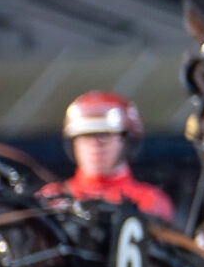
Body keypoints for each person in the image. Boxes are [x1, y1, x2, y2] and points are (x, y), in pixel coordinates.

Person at [51, 91, 172, 223]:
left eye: (104, 135)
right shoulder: (52, 197)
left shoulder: (149, 201)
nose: (95, 145)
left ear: (127, 141)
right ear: (73, 143)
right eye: (85, 136)